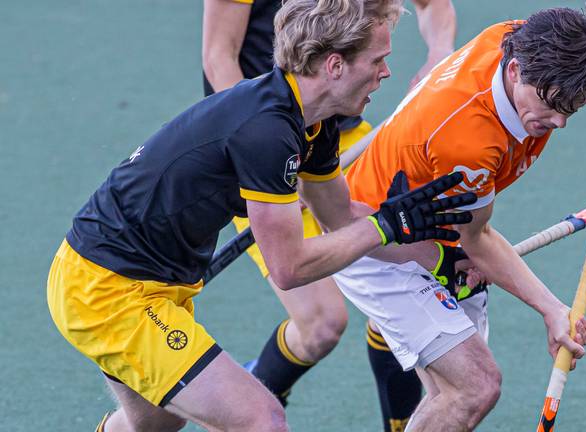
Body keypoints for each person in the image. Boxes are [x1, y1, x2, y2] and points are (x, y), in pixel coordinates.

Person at [47, 1, 476, 431]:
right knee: (260, 419)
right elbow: (290, 268)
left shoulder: (315, 123)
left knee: (153, 425)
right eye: (378, 60)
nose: (386, 72)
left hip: (161, 281)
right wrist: (384, 226)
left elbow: (341, 217)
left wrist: (434, 255)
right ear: (334, 66)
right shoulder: (267, 133)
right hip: (106, 288)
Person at [339, 8, 586, 430]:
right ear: (515, 70)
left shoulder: (538, 45)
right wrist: (552, 309)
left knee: (450, 397)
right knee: (473, 388)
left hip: (445, 223)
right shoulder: (466, 140)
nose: (558, 123)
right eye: (551, 105)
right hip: (378, 241)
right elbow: (478, 241)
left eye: (571, 110)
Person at [202, 0, 456, 428]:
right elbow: (218, 56)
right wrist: (274, 154)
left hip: (334, 131)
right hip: (256, 143)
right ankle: (259, 386)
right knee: (322, 325)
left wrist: (439, 53)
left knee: (402, 287)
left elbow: (432, 5)